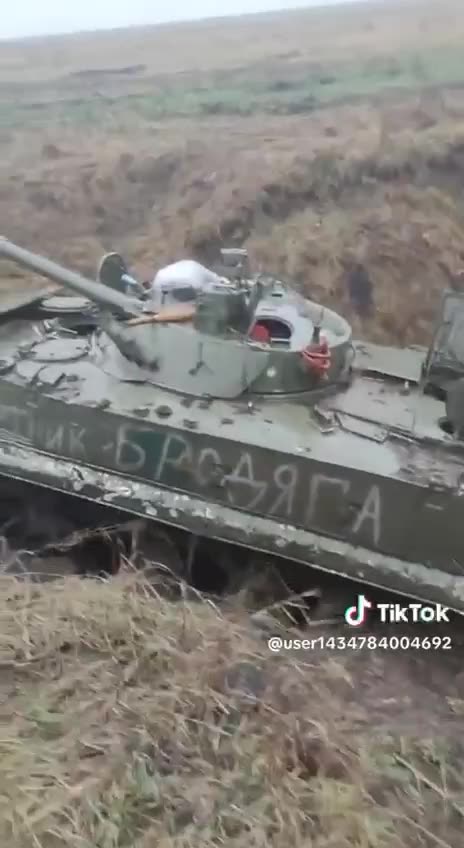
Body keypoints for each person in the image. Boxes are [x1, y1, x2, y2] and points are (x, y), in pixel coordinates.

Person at [148, 259, 226, 309]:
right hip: (189, 284)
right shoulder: (199, 270)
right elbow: (218, 281)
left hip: (160, 283)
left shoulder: (162, 272)